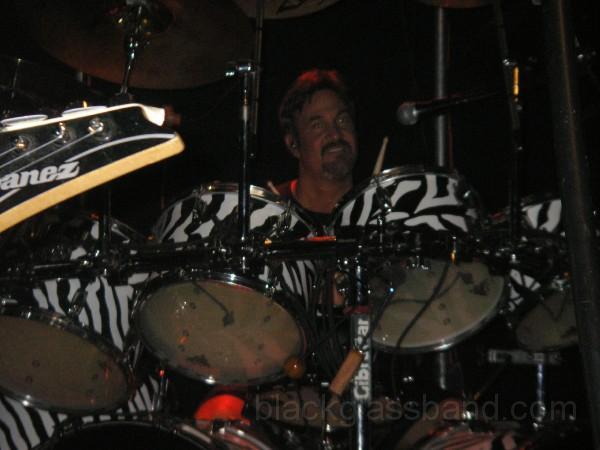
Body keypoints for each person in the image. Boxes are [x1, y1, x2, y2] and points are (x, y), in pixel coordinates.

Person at [274, 68, 358, 231]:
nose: (335, 134)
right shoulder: (266, 214)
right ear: (293, 144)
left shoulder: (382, 211)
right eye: (318, 125)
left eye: (342, 120)